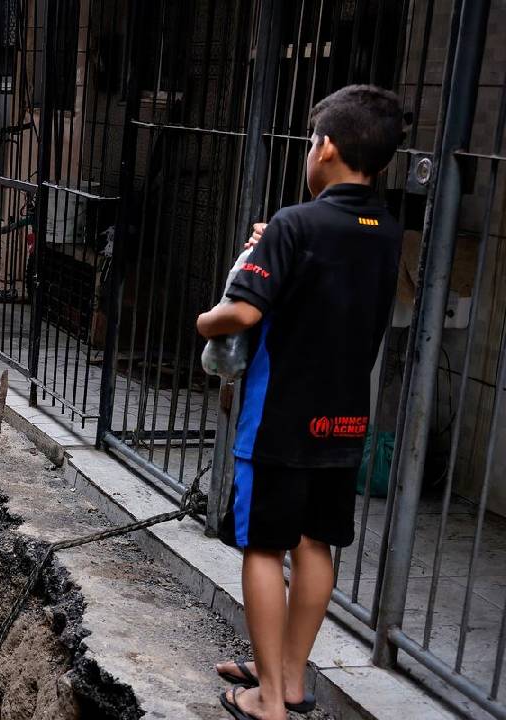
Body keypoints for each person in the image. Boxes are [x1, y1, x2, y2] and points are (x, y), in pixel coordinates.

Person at [196, 84, 404, 720]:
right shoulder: (385, 230)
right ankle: (286, 678)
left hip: (280, 415)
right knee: (315, 545)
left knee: (263, 547)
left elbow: (245, 310)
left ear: (329, 148)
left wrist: (205, 321)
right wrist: (277, 246)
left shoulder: (295, 223)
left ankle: (267, 701)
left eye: (313, 142)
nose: (310, 153)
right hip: (343, 417)